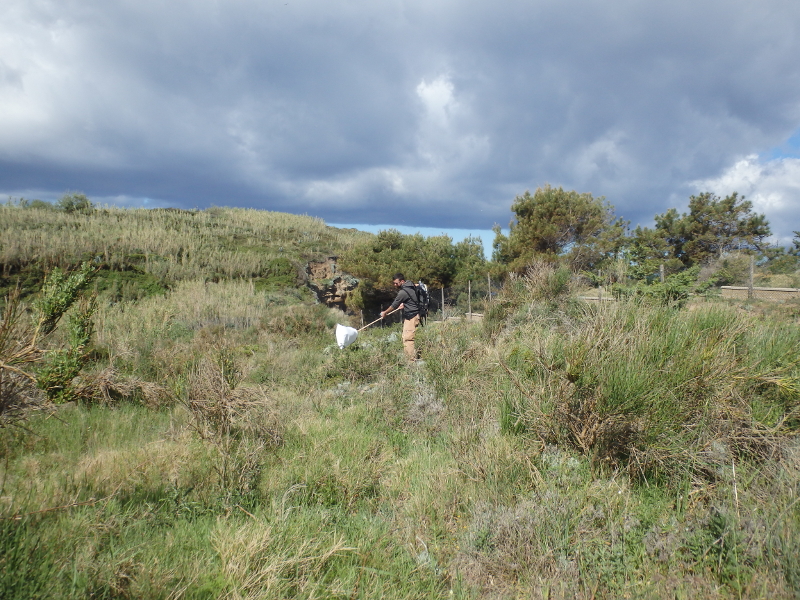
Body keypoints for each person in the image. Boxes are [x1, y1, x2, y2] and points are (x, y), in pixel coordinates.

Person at [380, 273, 422, 362]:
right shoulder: (411, 285)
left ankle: (411, 361)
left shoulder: (403, 292)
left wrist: (385, 312)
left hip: (411, 316)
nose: (395, 285)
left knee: (408, 339)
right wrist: (405, 304)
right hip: (416, 314)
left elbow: (394, 305)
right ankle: (410, 358)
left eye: (396, 283)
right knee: (406, 337)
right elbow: (412, 298)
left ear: (402, 281)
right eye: (394, 283)